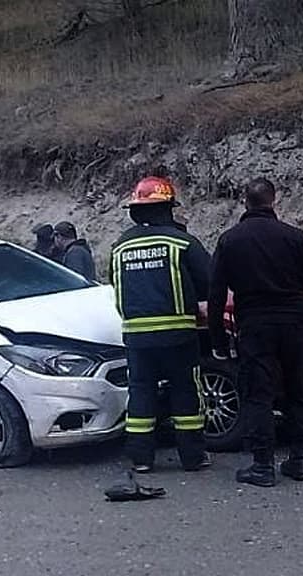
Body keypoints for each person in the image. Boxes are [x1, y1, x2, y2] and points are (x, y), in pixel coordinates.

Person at [208, 178, 303, 488]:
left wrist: (217, 340)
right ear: (274, 200)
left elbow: (215, 294)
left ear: (245, 202)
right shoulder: (293, 237)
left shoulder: (230, 240)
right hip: (295, 322)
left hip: (254, 324)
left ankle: (262, 465)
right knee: (299, 389)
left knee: (259, 394)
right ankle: (298, 460)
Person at [107, 175, 213, 489]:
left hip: (137, 338)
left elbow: (116, 287)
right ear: (168, 208)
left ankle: (140, 458)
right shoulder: (182, 242)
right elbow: (209, 281)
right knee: (185, 392)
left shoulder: (120, 247)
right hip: (179, 334)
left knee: (140, 393)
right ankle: (192, 457)